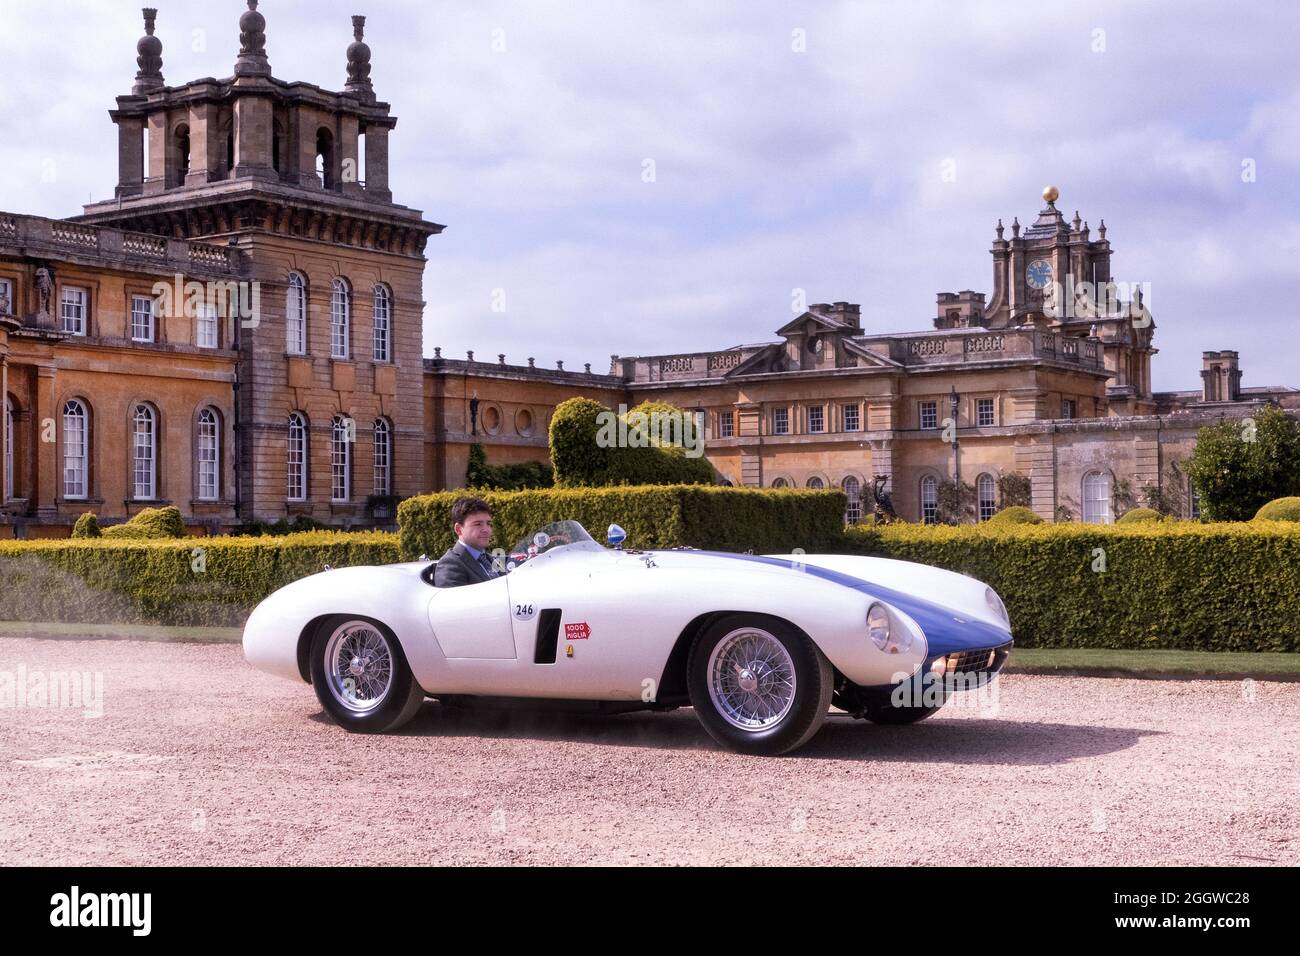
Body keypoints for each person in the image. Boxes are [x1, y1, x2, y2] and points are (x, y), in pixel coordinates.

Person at [432, 496, 505, 587]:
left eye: (488, 524)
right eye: (478, 524)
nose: (486, 529)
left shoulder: (491, 559)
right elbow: (453, 600)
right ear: (458, 529)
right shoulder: (450, 565)